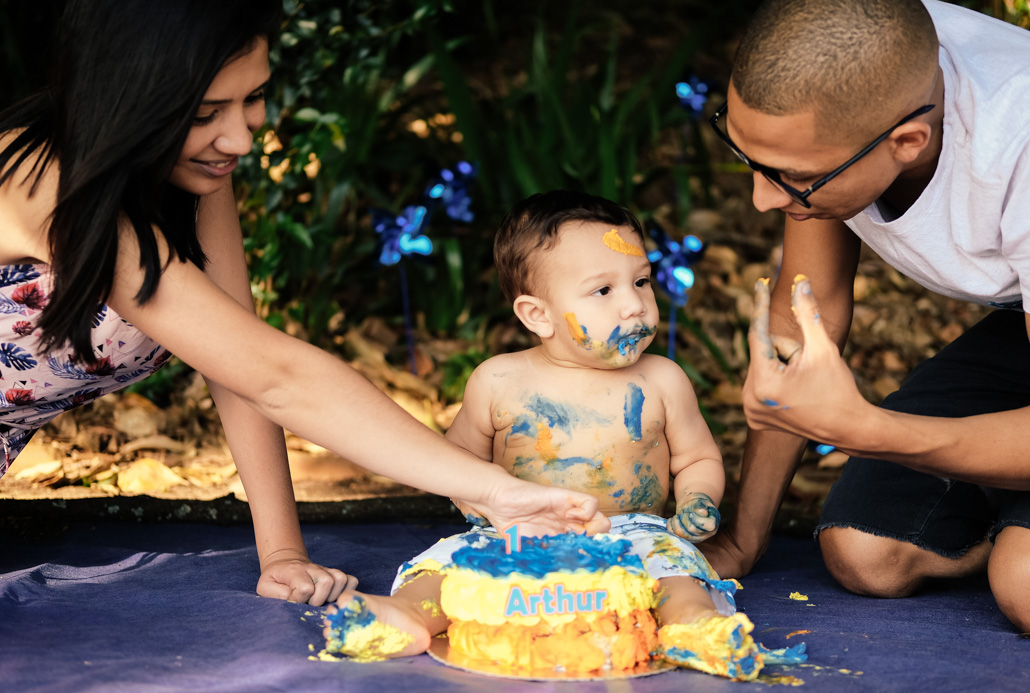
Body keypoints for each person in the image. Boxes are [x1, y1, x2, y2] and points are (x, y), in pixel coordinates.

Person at [0, 0, 610, 608]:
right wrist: (493, 489)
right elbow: (278, 377)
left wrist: (282, 554)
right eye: (206, 112)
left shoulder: (190, 170)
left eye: (254, 97)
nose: (240, 136)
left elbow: (239, 364)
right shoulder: (43, 181)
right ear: (126, 97)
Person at [321, 190, 796, 680]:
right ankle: (405, 618)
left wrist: (699, 501)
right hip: (514, 534)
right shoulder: (498, 381)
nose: (634, 305)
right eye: (603, 291)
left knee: (676, 572)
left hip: (630, 534)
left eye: (641, 281)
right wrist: (477, 505)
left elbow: (696, 458)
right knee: (445, 569)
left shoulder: (663, 380)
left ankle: (693, 627)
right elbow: (456, 457)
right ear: (537, 315)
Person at [698, 0, 1030, 633]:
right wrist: (745, 539)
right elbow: (809, 316)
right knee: (867, 553)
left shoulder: (1026, 147)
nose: (762, 199)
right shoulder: (858, 71)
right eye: (749, 158)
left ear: (908, 142)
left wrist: (871, 430)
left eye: (792, 179)